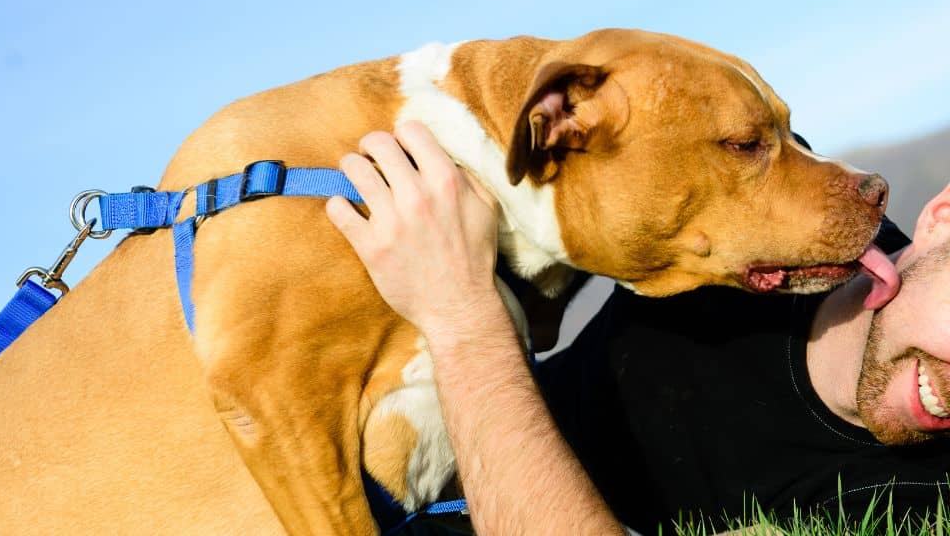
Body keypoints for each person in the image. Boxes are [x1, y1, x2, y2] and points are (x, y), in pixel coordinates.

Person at [325, 122, 950, 535]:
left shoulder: (923, 496)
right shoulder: (770, 201)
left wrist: (462, 316)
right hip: (375, 462)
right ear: (941, 219)